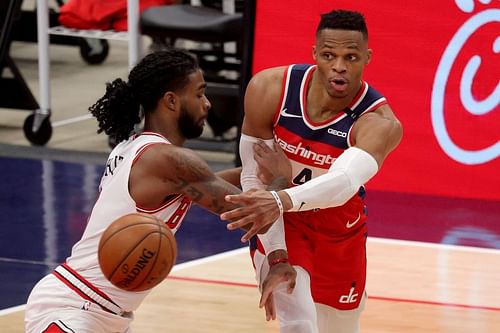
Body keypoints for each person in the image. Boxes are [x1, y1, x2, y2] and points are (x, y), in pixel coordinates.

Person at [24, 49, 296, 333]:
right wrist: (280, 181)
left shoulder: (133, 147)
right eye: (200, 93)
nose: (207, 104)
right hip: (74, 308)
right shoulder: (169, 160)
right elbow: (252, 213)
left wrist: (267, 172)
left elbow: (212, 185)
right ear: (171, 100)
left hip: (103, 312)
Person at [221, 9, 403, 333]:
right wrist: (276, 255)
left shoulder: (380, 123)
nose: (339, 67)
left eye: (351, 57)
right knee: (300, 322)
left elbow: (344, 182)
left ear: (367, 58)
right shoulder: (269, 89)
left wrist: (280, 196)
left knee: (341, 327)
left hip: (339, 231)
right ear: (315, 53)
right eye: (329, 55)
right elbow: (253, 177)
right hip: (283, 223)